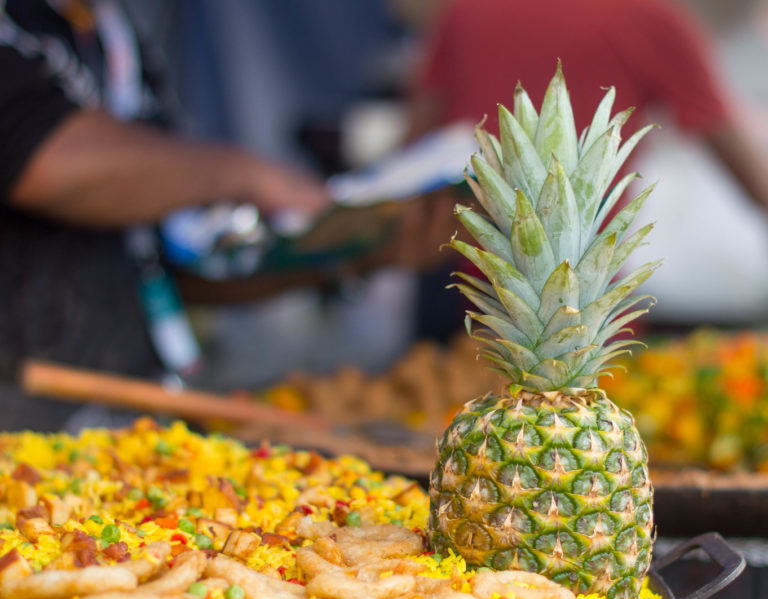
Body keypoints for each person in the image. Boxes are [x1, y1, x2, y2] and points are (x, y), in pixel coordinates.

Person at [0, 0, 452, 430]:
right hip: (19, 434)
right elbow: (41, 160)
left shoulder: (113, 33)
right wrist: (246, 173)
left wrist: (349, 251)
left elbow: (168, 266)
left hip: (121, 425)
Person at [406, 0, 768, 337]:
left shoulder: (467, 10)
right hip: (580, 303)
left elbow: (412, 149)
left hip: (459, 284)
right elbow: (753, 176)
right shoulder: (647, 16)